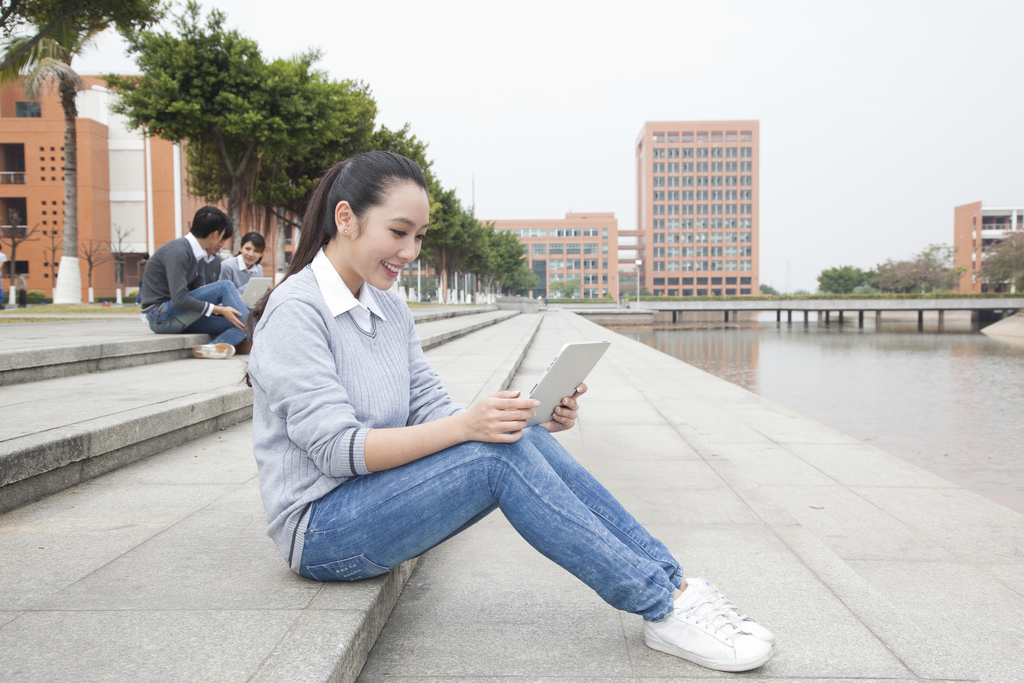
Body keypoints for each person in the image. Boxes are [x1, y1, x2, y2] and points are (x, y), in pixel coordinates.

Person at [245, 152, 775, 673]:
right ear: (346, 218)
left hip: (375, 498)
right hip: (321, 530)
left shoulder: (389, 306)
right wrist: (467, 426)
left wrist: (526, 417)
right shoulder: (297, 310)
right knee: (493, 458)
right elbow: (337, 451)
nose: (411, 250)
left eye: (420, 236)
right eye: (399, 231)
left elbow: (431, 408)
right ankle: (660, 608)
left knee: (510, 440)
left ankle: (675, 585)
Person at [139, 206, 250, 358]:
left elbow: (199, 292)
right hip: (159, 316)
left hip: (177, 316)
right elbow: (179, 298)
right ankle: (263, 338)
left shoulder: (197, 253)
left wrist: (223, 309)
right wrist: (219, 310)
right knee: (225, 286)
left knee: (241, 323)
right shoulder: (178, 251)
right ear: (215, 234)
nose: (222, 242)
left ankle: (212, 348)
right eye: (223, 236)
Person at [219, 231, 265, 296]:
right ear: (240, 248)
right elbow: (225, 294)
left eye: (256, 251)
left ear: (261, 254)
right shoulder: (227, 266)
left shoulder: (259, 269)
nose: (251, 254)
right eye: (247, 249)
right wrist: (252, 286)